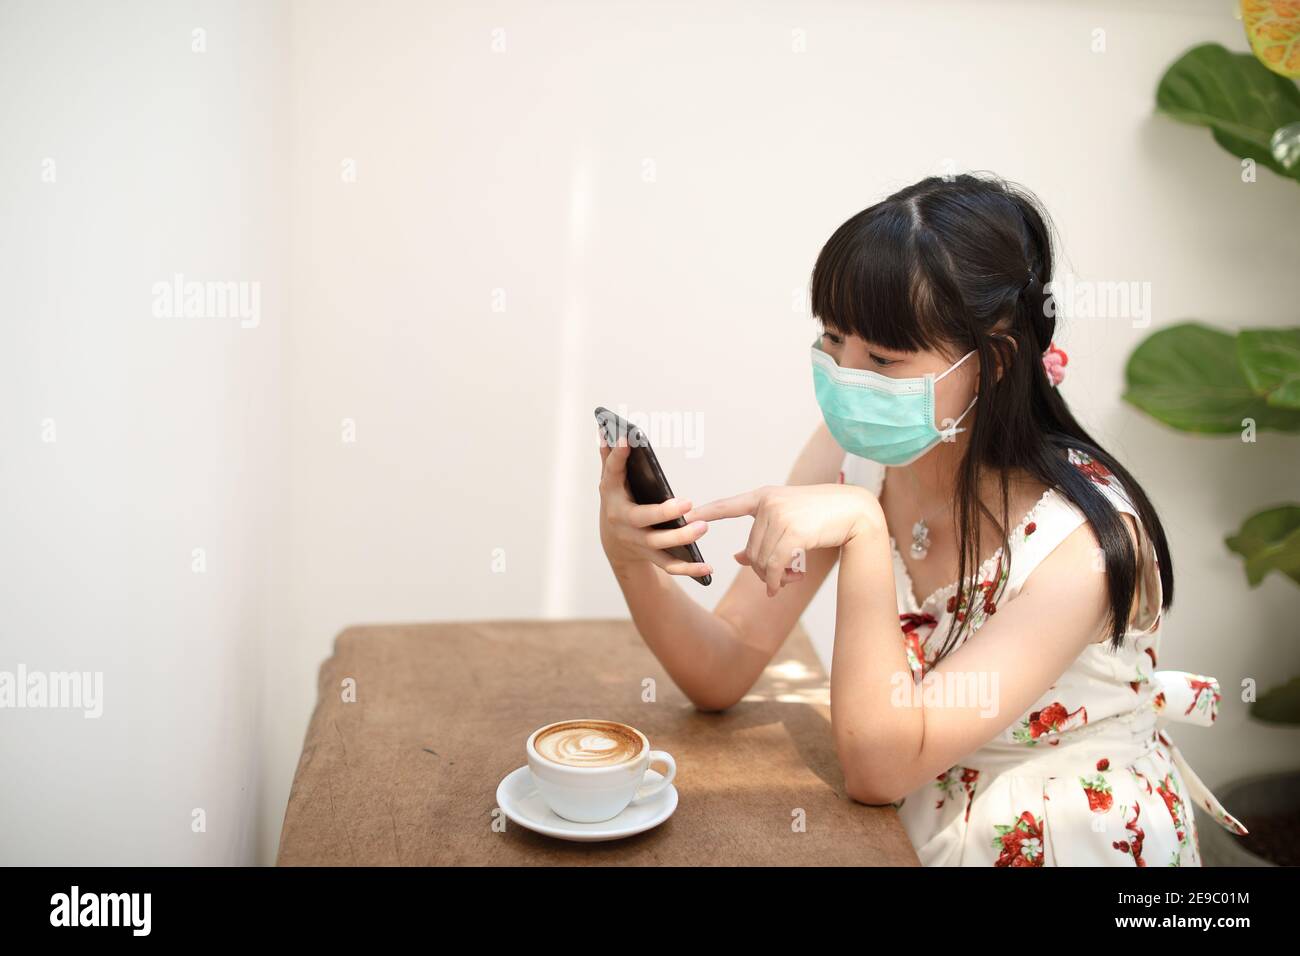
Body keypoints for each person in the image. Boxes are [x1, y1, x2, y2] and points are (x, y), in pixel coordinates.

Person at [595, 173, 1245, 866]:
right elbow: (720, 670)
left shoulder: (1083, 545)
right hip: (914, 810)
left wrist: (864, 533)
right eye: (834, 339)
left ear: (991, 363)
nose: (846, 376)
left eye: (882, 358)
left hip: (1064, 836)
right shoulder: (861, 449)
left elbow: (877, 771)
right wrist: (631, 558)